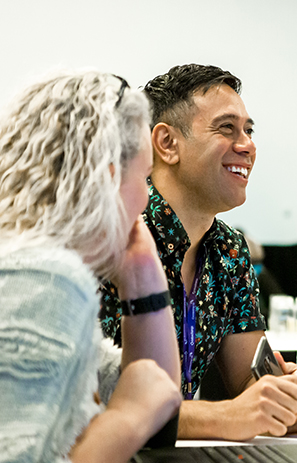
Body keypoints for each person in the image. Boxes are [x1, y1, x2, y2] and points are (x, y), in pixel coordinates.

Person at [99, 64, 297, 440]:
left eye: (248, 130)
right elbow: (93, 399)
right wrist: (224, 417)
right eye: (227, 128)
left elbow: (248, 378)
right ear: (167, 144)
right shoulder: (113, 237)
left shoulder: (229, 249)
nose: (246, 145)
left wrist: (284, 396)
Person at [0, 70, 181, 462]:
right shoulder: (42, 279)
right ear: (107, 179)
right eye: (145, 178)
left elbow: (161, 402)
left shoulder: (25, 269)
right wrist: (129, 417)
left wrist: (143, 278)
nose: (146, 201)